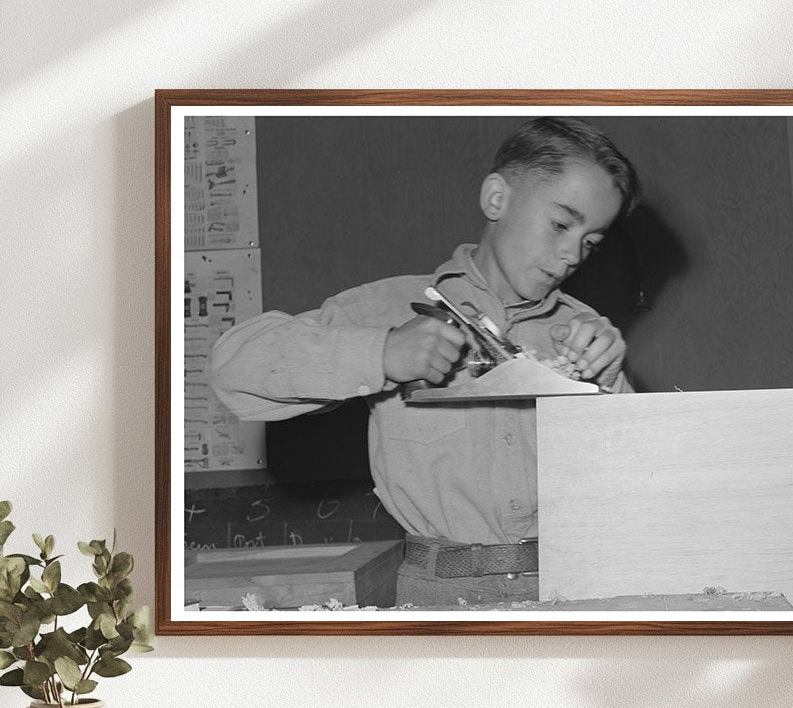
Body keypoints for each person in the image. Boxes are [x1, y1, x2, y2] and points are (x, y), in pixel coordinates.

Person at [210, 117, 641, 607]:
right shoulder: (391, 308)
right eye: (560, 225)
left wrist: (608, 384)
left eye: (590, 242)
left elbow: (641, 483)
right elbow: (233, 368)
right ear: (497, 199)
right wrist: (382, 352)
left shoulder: (586, 333)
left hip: (578, 585)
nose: (571, 255)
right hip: (440, 592)